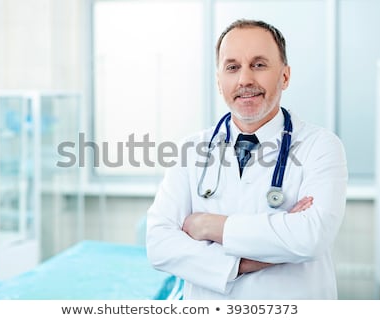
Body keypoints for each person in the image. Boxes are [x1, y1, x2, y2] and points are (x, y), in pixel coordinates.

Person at [146, 19, 347, 299]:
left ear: (285, 76)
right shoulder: (191, 150)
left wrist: (207, 225)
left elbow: (311, 237)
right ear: (219, 81)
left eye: (259, 64)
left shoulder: (321, 146)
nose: (245, 80)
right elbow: (159, 244)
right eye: (232, 67)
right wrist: (246, 263)